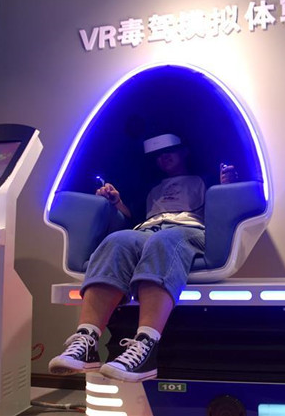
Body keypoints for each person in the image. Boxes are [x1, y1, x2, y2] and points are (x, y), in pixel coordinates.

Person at [49, 133, 237, 382]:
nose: (163, 158)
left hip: (189, 230)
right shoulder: (152, 189)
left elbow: (221, 203)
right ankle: (87, 341)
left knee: (164, 240)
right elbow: (133, 217)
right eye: (158, 156)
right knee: (116, 240)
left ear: (184, 152)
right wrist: (117, 202)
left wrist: (227, 184)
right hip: (147, 229)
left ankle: (147, 346)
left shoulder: (205, 179)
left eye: (169, 152)